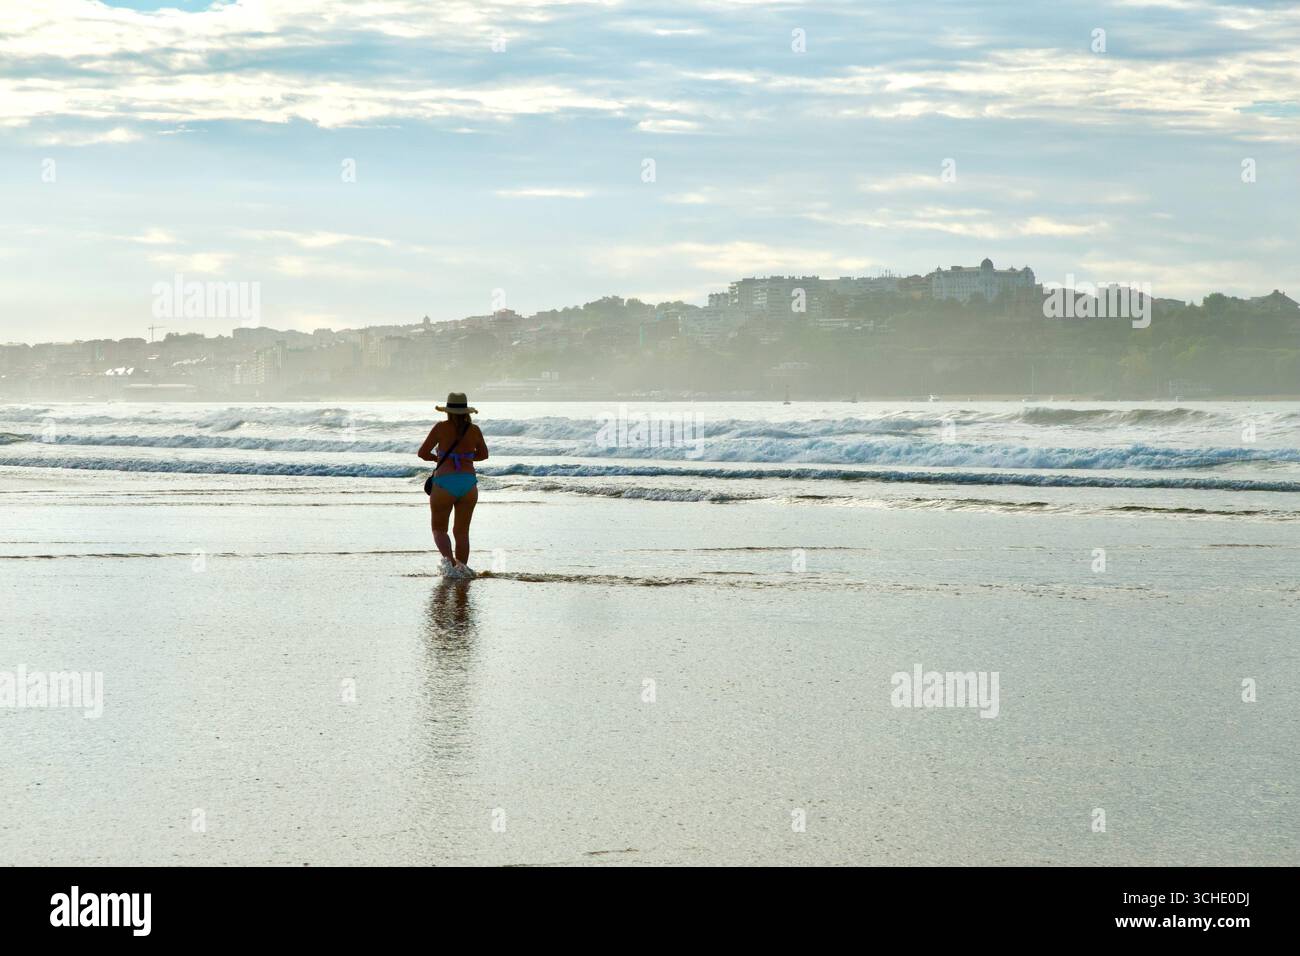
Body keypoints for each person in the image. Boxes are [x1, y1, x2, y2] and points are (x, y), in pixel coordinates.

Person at [417, 392, 489, 578]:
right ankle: (462, 568)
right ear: (466, 411)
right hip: (468, 484)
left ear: (447, 411)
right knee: (462, 532)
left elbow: (422, 452)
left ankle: (449, 566)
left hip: (444, 482)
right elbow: (483, 455)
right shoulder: (474, 430)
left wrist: (439, 458)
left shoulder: (441, 428)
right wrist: (465, 458)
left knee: (439, 529)